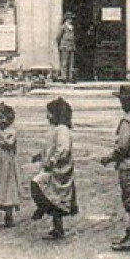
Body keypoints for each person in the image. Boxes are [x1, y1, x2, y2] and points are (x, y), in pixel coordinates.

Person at [99, 83, 130, 251]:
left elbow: (122, 147)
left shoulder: (127, 122)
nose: (121, 103)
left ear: (127, 102)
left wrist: (109, 158)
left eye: (123, 100)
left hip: (129, 166)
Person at [30, 97, 77, 240]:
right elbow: (51, 147)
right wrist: (40, 155)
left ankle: (43, 208)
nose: (47, 116)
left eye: (49, 113)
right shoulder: (55, 129)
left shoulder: (62, 130)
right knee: (55, 198)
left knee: (37, 183)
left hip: (59, 169)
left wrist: (52, 160)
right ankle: (57, 228)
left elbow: (63, 149)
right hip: (53, 168)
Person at [55, 14, 76, 83]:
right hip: (65, 45)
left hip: (71, 45)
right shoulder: (63, 27)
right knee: (64, 62)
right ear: (66, 19)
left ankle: (70, 77)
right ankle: (64, 77)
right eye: (69, 19)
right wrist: (61, 44)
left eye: (71, 19)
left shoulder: (72, 27)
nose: (71, 20)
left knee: (71, 62)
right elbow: (58, 37)